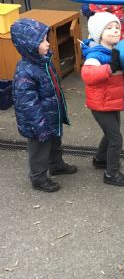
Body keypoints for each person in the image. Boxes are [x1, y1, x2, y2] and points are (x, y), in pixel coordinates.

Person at [81, 12, 124, 187]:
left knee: (111, 133)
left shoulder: (122, 51)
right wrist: (110, 67)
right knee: (116, 139)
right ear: (99, 34)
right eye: (109, 28)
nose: (115, 30)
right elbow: (88, 75)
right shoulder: (96, 55)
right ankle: (111, 174)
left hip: (114, 102)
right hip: (100, 104)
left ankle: (100, 159)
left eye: (117, 27)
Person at [11, 19, 78, 192]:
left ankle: (56, 165)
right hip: (37, 122)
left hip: (50, 114)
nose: (47, 43)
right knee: (39, 150)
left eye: (46, 39)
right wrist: (39, 125)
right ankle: (38, 177)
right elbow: (28, 104)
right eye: (42, 41)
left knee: (55, 142)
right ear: (29, 46)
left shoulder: (44, 62)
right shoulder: (25, 72)